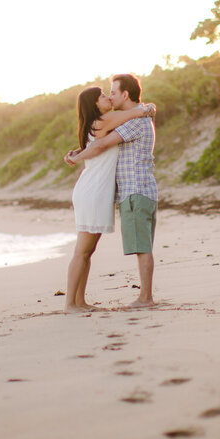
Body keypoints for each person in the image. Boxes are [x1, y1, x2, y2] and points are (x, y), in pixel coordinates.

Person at [65, 73, 158, 309]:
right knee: (84, 250)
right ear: (94, 104)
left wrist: (77, 154)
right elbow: (98, 145)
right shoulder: (105, 122)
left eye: (111, 93)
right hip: (95, 191)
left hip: (110, 190)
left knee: (87, 250)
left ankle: (79, 302)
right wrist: (145, 108)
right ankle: (71, 303)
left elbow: (100, 143)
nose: (109, 97)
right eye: (104, 95)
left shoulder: (110, 122)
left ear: (125, 94)